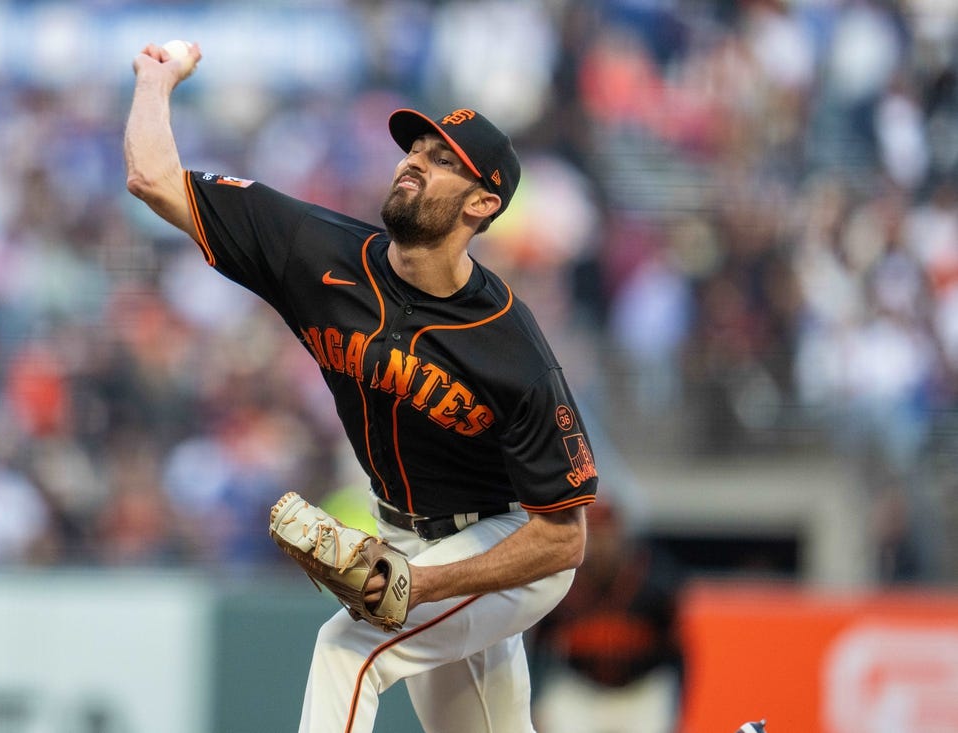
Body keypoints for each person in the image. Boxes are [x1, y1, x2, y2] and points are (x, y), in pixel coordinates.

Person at [124, 41, 598, 733]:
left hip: (506, 544)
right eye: (417, 149)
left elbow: (564, 538)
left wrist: (419, 584)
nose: (414, 161)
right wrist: (154, 80)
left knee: (348, 647)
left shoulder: (511, 345)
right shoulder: (313, 250)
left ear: (483, 203)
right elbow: (153, 179)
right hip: (402, 535)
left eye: (443, 162)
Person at [530, 499, 684, 733]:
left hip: (639, 692)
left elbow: (676, 655)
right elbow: (540, 648)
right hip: (582, 692)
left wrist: (677, 707)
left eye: (607, 533)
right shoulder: (563, 583)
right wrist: (536, 701)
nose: (602, 542)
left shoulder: (654, 583)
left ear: (621, 535)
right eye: (596, 533)